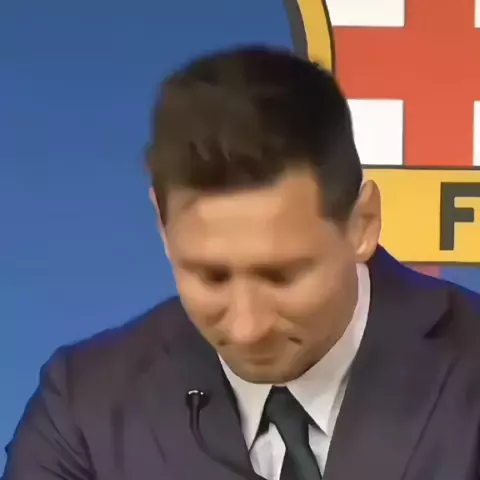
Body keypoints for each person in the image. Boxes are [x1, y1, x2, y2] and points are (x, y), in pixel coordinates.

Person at [3, 45, 480, 480]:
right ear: (162, 227)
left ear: (362, 224)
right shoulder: (84, 410)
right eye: (211, 277)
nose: (248, 329)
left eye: (282, 276)